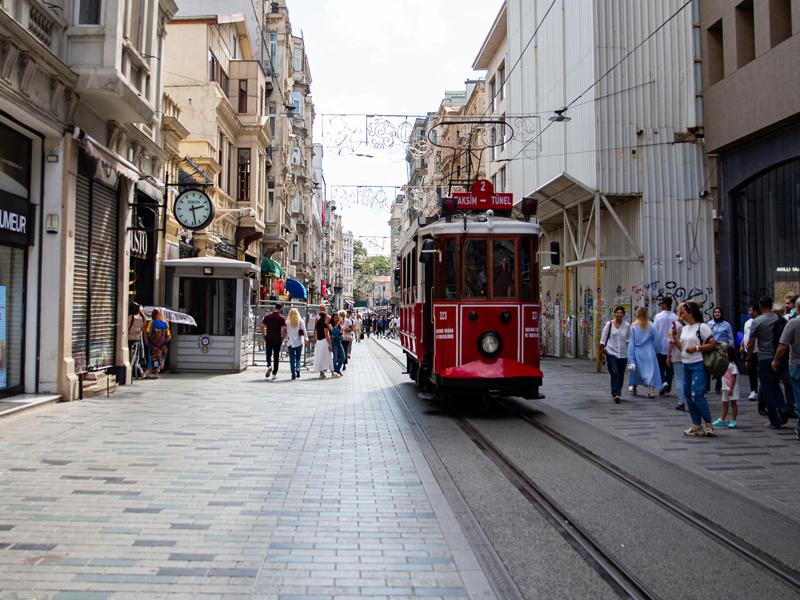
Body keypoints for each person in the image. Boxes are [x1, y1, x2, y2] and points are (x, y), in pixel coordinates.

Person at [747, 296, 788, 429]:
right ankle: (782, 407)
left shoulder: (757, 321)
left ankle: (774, 420)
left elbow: (751, 342)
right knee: (776, 385)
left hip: (764, 358)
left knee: (767, 388)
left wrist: (748, 358)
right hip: (778, 358)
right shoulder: (779, 319)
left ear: (760, 306)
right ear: (771, 305)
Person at [679, 301, 717, 436]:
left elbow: (713, 344)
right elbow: (682, 347)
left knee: (697, 394)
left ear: (691, 313)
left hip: (698, 363)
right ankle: (696, 424)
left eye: (684, 312)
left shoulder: (702, 327)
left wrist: (696, 348)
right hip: (685, 364)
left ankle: (708, 423)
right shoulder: (684, 328)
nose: (682, 315)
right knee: (688, 395)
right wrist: (674, 338)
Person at [773, 303, 800, 440]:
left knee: (799, 398)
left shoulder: (793, 323)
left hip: (797, 365)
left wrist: (775, 360)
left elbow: (783, 345)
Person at [627, 307, 661, 399]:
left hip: (637, 351)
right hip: (649, 351)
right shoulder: (651, 325)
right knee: (651, 370)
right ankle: (651, 391)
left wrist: (630, 354)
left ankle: (633, 385)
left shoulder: (633, 326)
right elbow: (657, 340)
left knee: (635, 370)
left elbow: (631, 342)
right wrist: (655, 350)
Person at [599, 306, 630, 403]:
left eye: (621, 313)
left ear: (623, 314)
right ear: (615, 314)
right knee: (615, 371)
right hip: (611, 351)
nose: (619, 314)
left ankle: (618, 391)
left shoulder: (627, 326)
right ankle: (615, 392)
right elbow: (603, 339)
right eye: (617, 312)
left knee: (621, 373)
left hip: (623, 353)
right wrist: (601, 350)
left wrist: (631, 353)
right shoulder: (609, 324)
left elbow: (629, 340)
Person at [653, 297, 677, 395]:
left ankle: (663, 382)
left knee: (660, 367)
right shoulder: (675, 317)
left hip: (660, 345)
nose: (661, 306)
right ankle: (668, 385)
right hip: (671, 346)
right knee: (670, 368)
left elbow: (654, 331)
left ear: (665, 304)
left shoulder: (658, 316)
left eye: (661, 304)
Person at [713, 347, 740, 428]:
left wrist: (731, 388)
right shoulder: (724, 364)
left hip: (732, 387)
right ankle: (722, 419)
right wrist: (722, 387)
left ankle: (733, 420)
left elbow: (734, 377)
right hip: (725, 387)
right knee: (725, 403)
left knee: (733, 403)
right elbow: (723, 377)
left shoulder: (732, 365)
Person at [666, 314, 687, 411]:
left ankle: (681, 402)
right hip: (690, 354)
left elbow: (671, 341)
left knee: (679, 379)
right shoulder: (692, 324)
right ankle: (689, 400)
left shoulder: (675, 324)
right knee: (687, 378)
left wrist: (668, 355)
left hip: (677, 354)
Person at [261, 303, 287, 380]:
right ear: (281, 309)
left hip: (269, 338)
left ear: (274, 307)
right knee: (276, 356)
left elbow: (262, 326)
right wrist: (282, 338)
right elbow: (285, 329)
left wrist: (264, 335)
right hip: (277, 339)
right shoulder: (281, 318)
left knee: (268, 354)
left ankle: (269, 365)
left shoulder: (267, 316)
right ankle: (274, 374)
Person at [740, 303, 760, 401]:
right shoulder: (747, 322)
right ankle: (753, 390)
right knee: (751, 371)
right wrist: (742, 345)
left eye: (751, 310)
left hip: (758, 350)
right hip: (748, 350)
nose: (749, 312)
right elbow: (746, 335)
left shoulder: (759, 321)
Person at [145, 308, 171, 379]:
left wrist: (148, 340)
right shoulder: (165, 323)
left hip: (153, 345)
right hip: (162, 346)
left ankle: (152, 373)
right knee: (158, 359)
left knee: (152, 359)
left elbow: (148, 333)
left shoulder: (151, 323)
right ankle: (156, 373)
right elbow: (168, 336)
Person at [285, 308, 306, 381]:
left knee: (292, 359)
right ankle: (298, 368)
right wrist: (306, 339)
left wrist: (285, 340)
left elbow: (286, 332)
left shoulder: (287, 322)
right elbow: (304, 331)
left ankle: (293, 374)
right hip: (299, 342)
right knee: (298, 357)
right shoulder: (301, 321)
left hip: (290, 342)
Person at [312, 305, 333, 379]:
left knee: (320, 356)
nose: (322, 309)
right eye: (321, 308)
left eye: (323, 308)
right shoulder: (324, 324)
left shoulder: (318, 323)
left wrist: (316, 338)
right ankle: (332, 372)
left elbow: (316, 330)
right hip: (324, 341)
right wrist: (330, 344)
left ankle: (322, 372)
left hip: (319, 341)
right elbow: (327, 335)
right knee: (328, 356)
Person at [128, 302, 146, 379]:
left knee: (129, 358)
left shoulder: (129, 317)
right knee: (135, 358)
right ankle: (135, 374)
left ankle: (130, 373)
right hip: (137, 340)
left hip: (128, 339)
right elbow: (143, 330)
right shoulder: (141, 319)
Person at [330, 313, 346, 378]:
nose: (337, 319)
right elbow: (333, 331)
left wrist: (342, 334)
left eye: (338, 318)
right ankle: (336, 371)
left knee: (343, 357)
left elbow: (341, 333)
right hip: (334, 342)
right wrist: (337, 325)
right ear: (333, 318)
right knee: (335, 357)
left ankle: (337, 370)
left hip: (339, 342)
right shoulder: (330, 325)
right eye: (335, 318)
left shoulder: (339, 326)